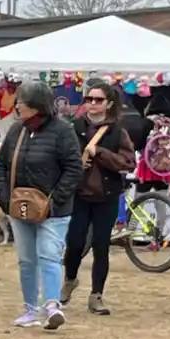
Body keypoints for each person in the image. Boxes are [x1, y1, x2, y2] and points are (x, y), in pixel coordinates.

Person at [0, 79, 83, 331]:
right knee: (26, 260)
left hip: (53, 211)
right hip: (20, 206)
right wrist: (3, 195)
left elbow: (73, 169)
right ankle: (30, 309)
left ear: (37, 106)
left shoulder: (63, 131)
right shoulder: (16, 131)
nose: (17, 106)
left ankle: (52, 306)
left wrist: (55, 201)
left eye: (22, 101)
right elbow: (2, 164)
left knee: (49, 256)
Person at [63, 81, 135, 316]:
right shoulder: (73, 127)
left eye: (98, 100)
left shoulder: (118, 131)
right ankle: (70, 279)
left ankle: (96, 295)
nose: (93, 104)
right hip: (79, 195)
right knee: (74, 243)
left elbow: (127, 163)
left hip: (107, 196)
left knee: (101, 246)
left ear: (109, 103)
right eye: (89, 99)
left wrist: (100, 153)